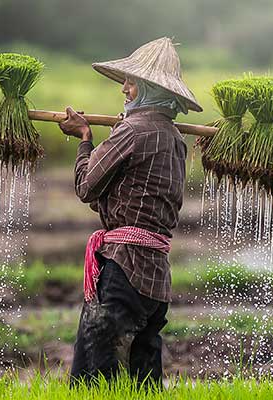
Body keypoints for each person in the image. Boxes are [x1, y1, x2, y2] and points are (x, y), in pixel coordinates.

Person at [58, 37, 203, 389]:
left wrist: (84, 138)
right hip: (155, 278)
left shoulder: (133, 131)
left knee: (94, 373)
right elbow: (129, 196)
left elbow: (86, 188)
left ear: (149, 89)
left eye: (131, 82)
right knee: (143, 376)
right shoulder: (173, 137)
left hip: (125, 269)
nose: (124, 88)